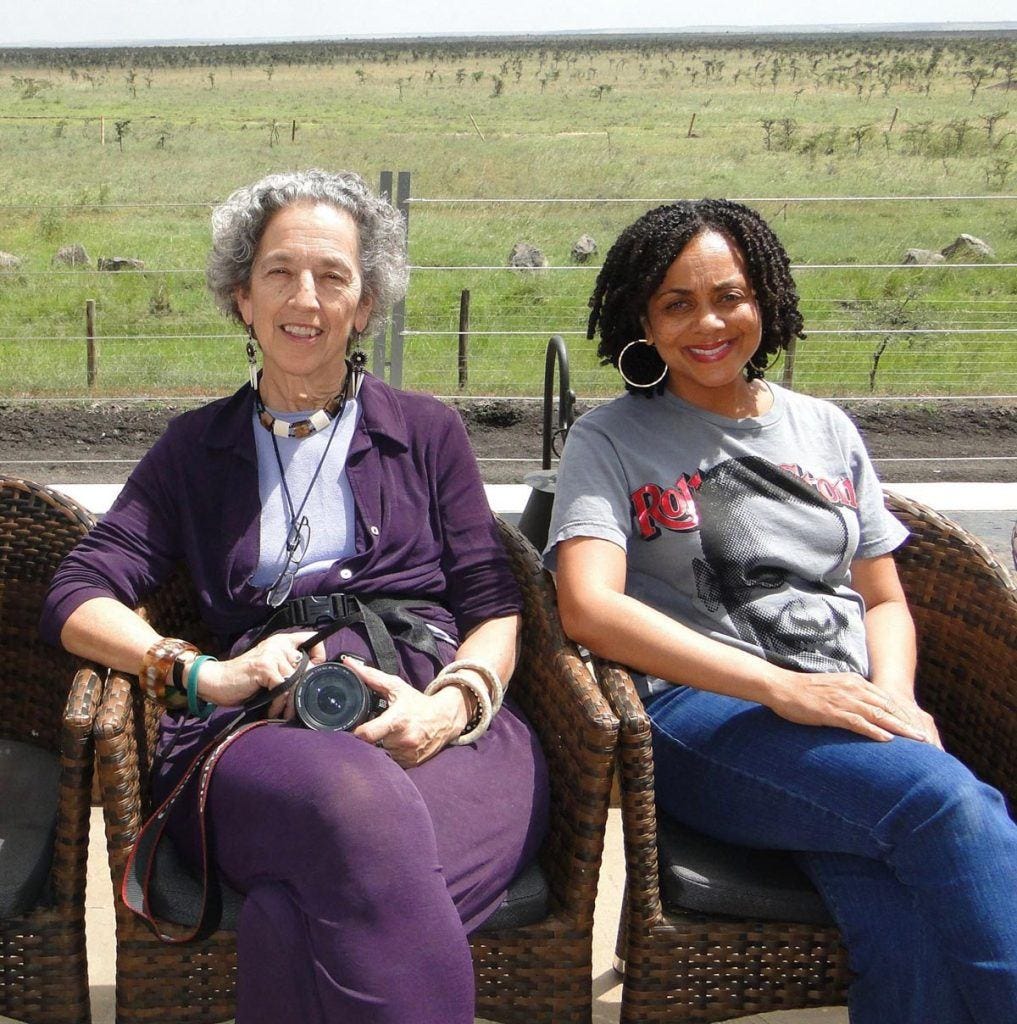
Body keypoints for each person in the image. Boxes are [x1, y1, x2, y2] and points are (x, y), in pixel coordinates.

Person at [42, 169, 548, 1024]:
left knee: (295, 913)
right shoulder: (193, 449)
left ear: (366, 302)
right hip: (267, 736)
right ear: (241, 296)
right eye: (279, 272)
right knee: (351, 810)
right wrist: (205, 673)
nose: (304, 297)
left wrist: (454, 706)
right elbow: (79, 591)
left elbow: (492, 601)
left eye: (332, 276)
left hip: (442, 722)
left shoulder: (426, 431)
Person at [545, 199, 1017, 1023]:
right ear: (640, 322)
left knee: (902, 912)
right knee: (946, 805)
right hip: (705, 717)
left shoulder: (824, 428)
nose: (708, 323)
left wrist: (897, 697)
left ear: (764, 296)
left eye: (728, 295)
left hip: (850, 712)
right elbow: (587, 606)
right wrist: (779, 689)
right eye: (676, 304)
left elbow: (884, 598)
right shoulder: (611, 439)